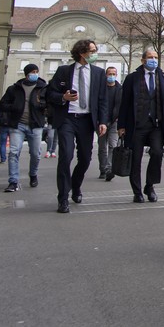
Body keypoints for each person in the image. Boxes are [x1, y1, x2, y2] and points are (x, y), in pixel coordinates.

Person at [45, 40, 109, 214]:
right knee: (66, 156)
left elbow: (103, 100)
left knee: (86, 159)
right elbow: (49, 93)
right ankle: (63, 198)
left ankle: (76, 185)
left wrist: (102, 121)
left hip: (87, 120)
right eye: (93, 50)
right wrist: (63, 98)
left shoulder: (99, 73)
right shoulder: (64, 71)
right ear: (82, 53)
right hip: (67, 118)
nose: (96, 54)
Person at [117, 48, 164, 204]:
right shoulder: (132, 78)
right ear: (143, 60)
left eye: (155, 57)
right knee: (135, 159)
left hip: (156, 124)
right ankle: (137, 191)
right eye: (150, 57)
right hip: (137, 125)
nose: (153, 60)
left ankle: (150, 186)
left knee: (157, 153)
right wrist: (121, 125)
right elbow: (125, 103)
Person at [0, 64, 48, 192]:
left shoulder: (43, 89)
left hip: (35, 125)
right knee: (14, 152)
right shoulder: (14, 89)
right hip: (17, 125)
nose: (35, 74)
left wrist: (41, 105)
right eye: (32, 72)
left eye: (37, 71)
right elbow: (2, 104)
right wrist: (14, 107)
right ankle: (13, 181)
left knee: (36, 154)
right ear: (26, 74)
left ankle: (33, 174)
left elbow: (49, 104)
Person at [99, 67, 123, 180]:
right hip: (101, 122)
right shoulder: (101, 88)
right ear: (106, 75)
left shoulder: (120, 89)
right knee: (102, 147)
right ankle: (103, 169)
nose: (111, 76)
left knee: (112, 145)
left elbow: (122, 106)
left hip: (114, 121)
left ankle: (109, 169)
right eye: (109, 74)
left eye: (113, 74)